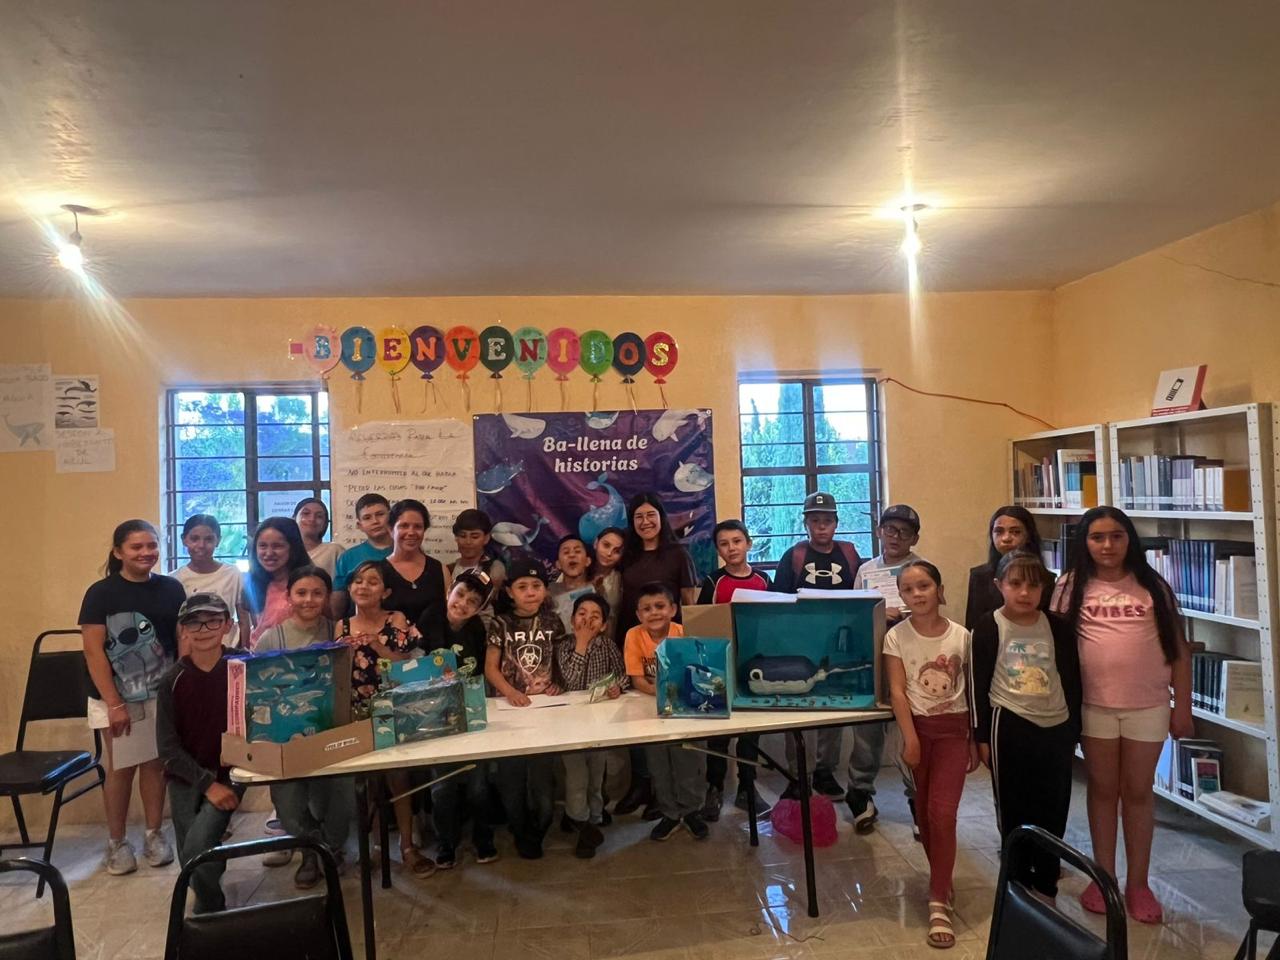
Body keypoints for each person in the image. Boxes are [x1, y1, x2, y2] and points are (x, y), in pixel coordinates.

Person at [1051, 506, 1192, 924]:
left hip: (1148, 706)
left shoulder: (1153, 586)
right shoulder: (1069, 586)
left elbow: (1179, 652)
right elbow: (1054, 649)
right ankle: (1105, 878)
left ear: (1130, 540)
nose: (1108, 545)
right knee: (1102, 789)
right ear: (1085, 543)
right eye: (1097, 537)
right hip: (1093, 707)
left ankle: (1139, 883)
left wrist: (1182, 708)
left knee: (1138, 792)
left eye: (1117, 536)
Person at [970, 550, 1081, 902]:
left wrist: (1073, 729)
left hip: (1056, 726)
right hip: (1009, 724)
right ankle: (1017, 883)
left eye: (1033, 585)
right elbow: (977, 684)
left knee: (1054, 807)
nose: (1024, 592)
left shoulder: (1058, 627)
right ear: (998, 585)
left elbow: (1072, 680)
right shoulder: (988, 626)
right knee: (1014, 808)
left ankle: (1046, 884)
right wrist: (980, 736)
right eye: (1015, 583)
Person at [79, 519, 185, 876]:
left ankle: (154, 834)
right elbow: (93, 651)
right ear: (118, 552)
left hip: (159, 693)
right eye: (137, 547)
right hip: (114, 697)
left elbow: (180, 640)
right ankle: (117, 841)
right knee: (121, 767)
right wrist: (114, 703)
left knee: (155, 764)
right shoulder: (100, 593)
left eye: (152, 545)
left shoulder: (171, 588)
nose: (146, 552)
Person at [883, 560, 976, 949]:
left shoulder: (962, 637)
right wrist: (910, 739)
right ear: (901, 596)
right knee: (924, 815)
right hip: (918, 732)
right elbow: (898, 691)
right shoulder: (895, 637)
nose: (917, 594)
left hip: (954, 731)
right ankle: (943, 877)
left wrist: (974, 740)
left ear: (939, 589)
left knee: (942, 813)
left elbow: (972, 691)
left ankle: (938, 898)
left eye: (923, 586)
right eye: (908, 589)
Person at [254, 566, 354, 887]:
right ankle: (311, 850)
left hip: (331, 734)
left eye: (317, 593)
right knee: (289, 804)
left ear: (327, 597)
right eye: (301, 592)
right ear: (289, 596)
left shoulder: (338, 632)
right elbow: (257, 690)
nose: (309, 600)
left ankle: (331, 848)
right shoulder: (272, 638)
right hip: (285, 740)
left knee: (339, 795)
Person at [337, 559, 434, 876]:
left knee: (399, 779)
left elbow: (407, 663)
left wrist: (377, 645)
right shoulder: (342, 626)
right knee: (369, 783)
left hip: (395, 708)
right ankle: (377, 848)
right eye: (358, 580)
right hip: (358, 711)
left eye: (372, 581)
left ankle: (407, 846)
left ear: (386, 591)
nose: (363, 586)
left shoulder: (396, 618)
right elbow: (339, 673)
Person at [770, 491, 863, 799]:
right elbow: (777, 602)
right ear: (805, 524)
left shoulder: (850, 554)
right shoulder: (793, 556)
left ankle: (825, 772)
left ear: (836, 523)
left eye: (827, 520)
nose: (821, 527)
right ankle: (798, 774)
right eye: (815, 521)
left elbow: (862, 595)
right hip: (799, 645)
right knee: (797, 708)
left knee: (833, 706)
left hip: (838, 643)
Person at [155, 593, 243, 913]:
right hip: (185, 776)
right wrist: (207, 784)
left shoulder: (243, 666)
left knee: (197, 846)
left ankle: (209, 910)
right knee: (190, 856)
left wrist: (223, 782)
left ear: (227, 625)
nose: (203, 629)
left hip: (231, 773)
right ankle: (210, 894)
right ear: (183, 629)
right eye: (194, 622)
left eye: (213, 621)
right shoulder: (172, 680)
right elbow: (167, 748)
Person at [614, 494, 697, 818]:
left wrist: (690, 646)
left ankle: (675, 796)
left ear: (661, 517)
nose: (645, 522)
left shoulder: (678, 554)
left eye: (651, 515)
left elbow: (690, 602)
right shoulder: (628, 556)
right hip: (633, 639)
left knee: (669, 719)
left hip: (673, 643)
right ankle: (642, 785)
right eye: (638, 517)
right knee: (638, 718)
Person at [846, 504, 924, 833]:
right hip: (874, 659)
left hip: (912, 662)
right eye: (890, 529)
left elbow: (933, 614)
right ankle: (859, 793)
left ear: (914, 538)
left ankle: (918, 798)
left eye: (904, 532)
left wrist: (908, 613)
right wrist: (878, 613)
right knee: (867, 732)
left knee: (912, 732)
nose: (895, 537)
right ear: (879, 531)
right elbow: (854, 614)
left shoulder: (922, 569)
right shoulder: (866, 570)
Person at [484, 557, 565, 859]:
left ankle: (539, 830)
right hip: (510, 711)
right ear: (509, 591)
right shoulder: (500, 623)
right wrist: (510, 692)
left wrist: (558, 683)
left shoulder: (553, 622)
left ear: (545, 589)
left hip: (545, 712)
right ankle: (519, 831)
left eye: (536, 586)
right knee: (512, 780)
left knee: (543, 782)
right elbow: (490, 668)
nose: (530, 592)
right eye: (522, 587)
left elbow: (561, 661)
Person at [421, 572, 500, 869]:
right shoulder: (428, 621)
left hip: (470, 712)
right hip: (434, 715)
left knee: (479, 785)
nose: (463, 603)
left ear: (480, 608)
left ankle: (483, 837)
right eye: (461, 594)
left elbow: (481, 673)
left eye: (473, 601)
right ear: (449, 591)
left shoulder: (477, 630)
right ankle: (446, 841)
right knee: (442, 787)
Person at [695, 520, 772, 821]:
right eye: (724, 544)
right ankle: (714, 788)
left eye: (737, 541)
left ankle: (746, 787)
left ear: (748, 543)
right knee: (718, 731)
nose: (732, 548)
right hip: (718, 663)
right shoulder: (713, 582)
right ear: (718, 550)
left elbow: (775, 619)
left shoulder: (764, 579)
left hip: (755, 664)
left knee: (750, 730)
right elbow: (700, 622)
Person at [625, 582, 707, 841]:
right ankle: (669, 812)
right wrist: (660, 693)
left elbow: (697, 673)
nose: (654, 613)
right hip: (651, 709)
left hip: (685, 707)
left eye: (659, 606)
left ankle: (692, 811)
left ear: (673, 609)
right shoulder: (633, 636)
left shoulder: (685, 633)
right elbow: (637, 679)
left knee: (689, 759)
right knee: (658, 763)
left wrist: (675, 695)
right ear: (638, 614)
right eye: (647, 609)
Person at [557, 592, 628, 858]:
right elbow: (571, 681)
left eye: (595, 616)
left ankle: (594, 815)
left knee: (597, 774)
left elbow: (622, 674)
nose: (588, 620)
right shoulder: (564, 646)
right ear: (572, 619)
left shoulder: (607, 645)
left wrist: (617, 687)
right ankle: (580, 821)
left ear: (604, 625)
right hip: (570, 724)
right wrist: (582, 644)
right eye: (582, 614)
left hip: (600, 723)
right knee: (577, 777)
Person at [169, 514, 249, 649]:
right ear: (184, 540)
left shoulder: (233, 574)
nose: (201, 545)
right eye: (194, 539)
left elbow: (244, 620)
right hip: (191, 652)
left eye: (209, 539)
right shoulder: (174, 579)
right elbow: (176, 626)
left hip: (228, 651)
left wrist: (245, 653)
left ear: (218, 541)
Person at [965, 506, 1044, 630]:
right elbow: (973, 626)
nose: (1006, 538)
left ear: (1028, 535)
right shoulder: (979, 576)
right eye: (999, 531)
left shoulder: (1045, 577)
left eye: (1015, 532)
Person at [381, 498, 451, 633]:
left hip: (435, 646)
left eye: (418, 527)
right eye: (404, 526)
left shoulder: (440, 570)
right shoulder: (378, 572)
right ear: (390, 530)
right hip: (388, 646)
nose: (411, 532)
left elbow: (450, 616)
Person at [246, 517, 311, 647]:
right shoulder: (254, 583)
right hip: (259, 655)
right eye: (262, 546)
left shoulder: (309, 583)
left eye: (277, 546)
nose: (269, 553)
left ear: (293, 547)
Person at [331, 494, 393, 619]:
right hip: (359, 625)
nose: (375, 521)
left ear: (391, 517)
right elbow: (339, 604)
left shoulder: (405, 551)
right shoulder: (348, 557)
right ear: (359, 525)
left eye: (380, 514)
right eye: (367, 517)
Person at [449, 508, 507, 589]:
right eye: (463, 536)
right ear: (456, 538)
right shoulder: (448, 570)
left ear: (486, 538)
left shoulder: (494, 569)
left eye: (474, 537)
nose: (468, 542)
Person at [549, 533, 594, 631]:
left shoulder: (596, 590)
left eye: (577, 551)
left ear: (588, 561)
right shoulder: (548, 592)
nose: (572, 555)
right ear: (558, 564)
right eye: (566, 552)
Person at [294, 497, 345, 580]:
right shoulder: (287, 553)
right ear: (294, 518)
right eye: (306, 513)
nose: (312, 519)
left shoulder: (335, 551)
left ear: (325, 523)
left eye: (319, 516)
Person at [591, 526, 626, 640]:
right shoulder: (578, 570)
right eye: (606, 545)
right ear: (596, 543)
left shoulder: (622, 579)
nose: (609, 553)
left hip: (607, 643)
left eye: (617, 551)